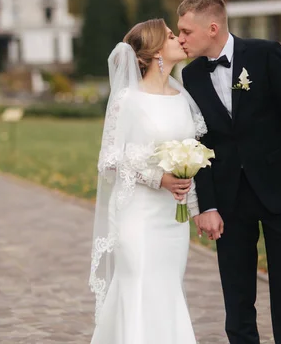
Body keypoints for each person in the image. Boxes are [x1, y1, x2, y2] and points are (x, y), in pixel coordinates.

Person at [178, 0, 281, 344]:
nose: (181, 38)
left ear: (212, 28)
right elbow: (199, 145)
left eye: (186, 31)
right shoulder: (191, 77)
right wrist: (208, 206)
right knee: (237, 299)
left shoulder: (265, 55)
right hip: (230, 203)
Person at [89, 19, 206, 344]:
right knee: (138, 285)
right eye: (171, 36)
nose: (179, 40)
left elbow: (191, 157)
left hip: (173, 219)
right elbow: (109, 160)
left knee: (167, 289)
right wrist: (158, 178)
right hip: (137, 216)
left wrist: (195, 208)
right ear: (155, 52)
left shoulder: (182, 97)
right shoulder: (128, 100)